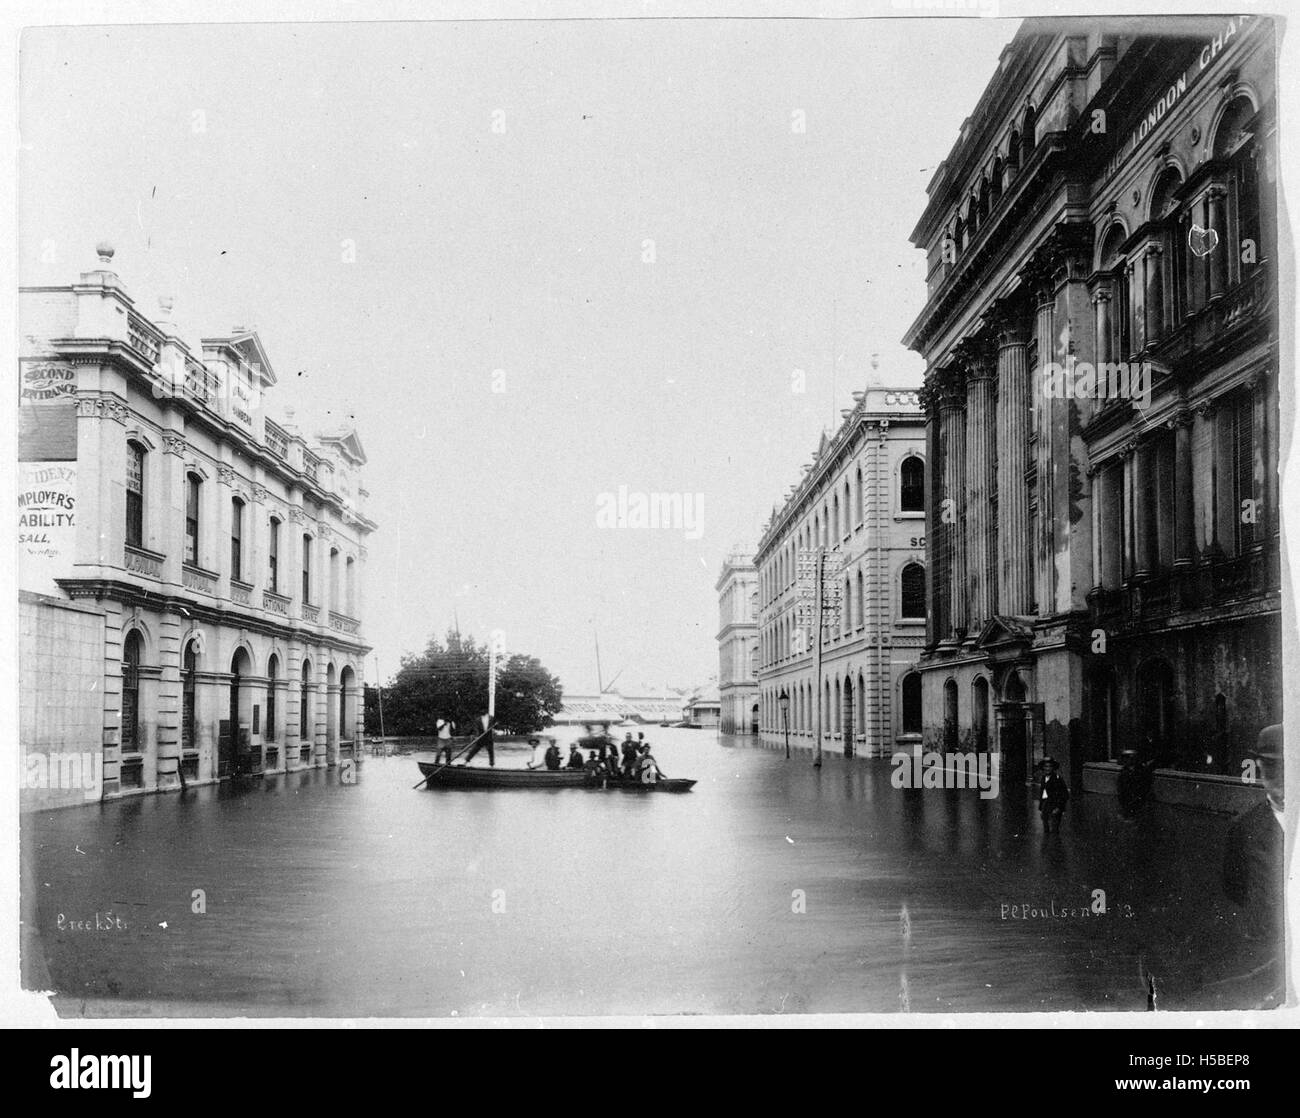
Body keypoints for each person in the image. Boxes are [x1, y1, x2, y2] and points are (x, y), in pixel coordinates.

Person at [1223, 724, 1284, 946]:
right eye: (1272, 767)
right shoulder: (1244, 828)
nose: (1282, 777)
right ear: (1259, 767)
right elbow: (1235, 888)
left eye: (1290, 766)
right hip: (1268, 946)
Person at [1039, 757, 1069, 832]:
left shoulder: (1057, 779)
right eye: (1046, 766)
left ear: (1053, 768)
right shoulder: (1043, 778)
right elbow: (1043, 793)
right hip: (1045, 805)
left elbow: (1064, 794)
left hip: (1054, 806)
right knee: (1046, 828)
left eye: (1050, 766)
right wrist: (1041, 808)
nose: (1047, 769)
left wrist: (1059, 807)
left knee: (1054, 829)